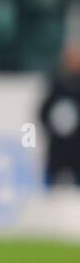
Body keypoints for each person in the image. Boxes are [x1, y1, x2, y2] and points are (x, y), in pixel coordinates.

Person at [38, 41, 80, 187]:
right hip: (58, 147)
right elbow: (43, 113)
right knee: (50, 181)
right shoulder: (56, 84)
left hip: (77, 147)